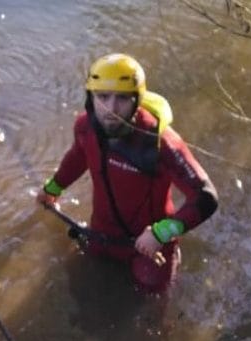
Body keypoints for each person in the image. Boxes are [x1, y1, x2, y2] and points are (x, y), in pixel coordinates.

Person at [35, 54, 218, 293]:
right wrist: (53, 189)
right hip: (101, 233)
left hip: (150, 245)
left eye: (122, 98)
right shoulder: (85, 127)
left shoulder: (161, 143)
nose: (111, 109)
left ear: (137, 100)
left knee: (152, 302)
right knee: (82, 285)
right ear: (90, 98)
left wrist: (163, 233)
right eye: (103, 97)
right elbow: (77, 158)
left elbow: (206, 197)